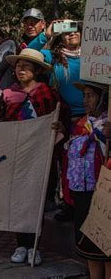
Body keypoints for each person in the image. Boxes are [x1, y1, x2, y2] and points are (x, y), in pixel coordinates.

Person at [0, 49, 64, 266]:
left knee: (37, 201)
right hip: (17, 156)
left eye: (26, 65)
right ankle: (20, 245)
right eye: (18, 66)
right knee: (18, 201)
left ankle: (34, 245)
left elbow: (62, 121)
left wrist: (59, 126)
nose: (21, 69)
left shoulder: (49, 93)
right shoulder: (8, 94)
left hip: (41, 156)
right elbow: (2, 122)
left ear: (36, 70)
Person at [53, 81, 111, 279]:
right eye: (84, 95)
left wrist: (105, 137)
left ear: (103, 99)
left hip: (102, 191)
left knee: (105, 244)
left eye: (91, 96)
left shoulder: (107, 125)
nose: (85, 100)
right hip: (81, 192)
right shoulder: (80, 125)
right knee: (86, 242)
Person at [28, 20, 84, 221]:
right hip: (64, 117)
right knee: (65, 162)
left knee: (88, 162)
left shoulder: (94, 56)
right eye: (67, 32)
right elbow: (28, 54)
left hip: (92, 116)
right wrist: (46, 35)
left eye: (75, 30)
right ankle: (68, 204)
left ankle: (85, 202)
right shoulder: (53, 58)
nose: (71, 35)